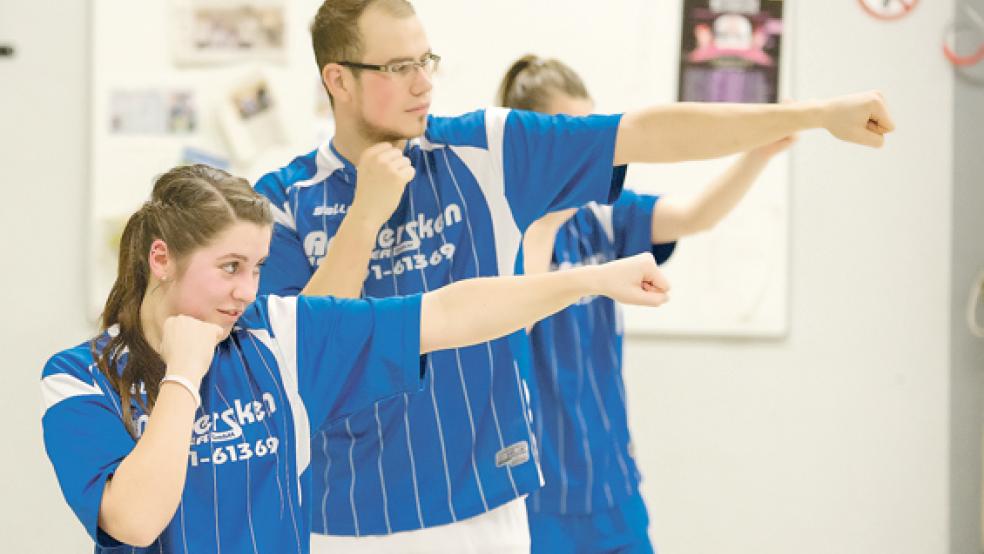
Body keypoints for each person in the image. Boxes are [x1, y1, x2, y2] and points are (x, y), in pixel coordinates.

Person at [254, 1, 894, 550]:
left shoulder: (484, 150)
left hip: (490, 512)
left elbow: (644, 132)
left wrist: (812, 115)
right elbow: (307, 356)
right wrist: (364, 216)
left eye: (428, 61)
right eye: (400, 68)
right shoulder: (281, 201)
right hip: (345, 522)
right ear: (337, 79)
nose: (424, 83)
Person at [40, 164, 671, 553]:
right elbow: (135, 523)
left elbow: (448, 313)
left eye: (257, 268)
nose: (247, 291)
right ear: (161, 258)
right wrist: (183, 372)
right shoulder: (75, 379)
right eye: (229, 268)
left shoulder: (279, 333)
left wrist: (591, 280)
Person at [498, 54, 794, 554]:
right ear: (534, 142)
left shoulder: (605, 218)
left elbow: (695, 216)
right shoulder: (501, 231)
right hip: (536, 498)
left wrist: (758, 154)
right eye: (571, 136)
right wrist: (546, 216)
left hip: (613, 485)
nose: (587, 153)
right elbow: (512, 328)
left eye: (590, 134)